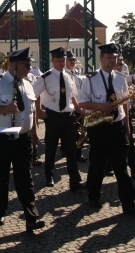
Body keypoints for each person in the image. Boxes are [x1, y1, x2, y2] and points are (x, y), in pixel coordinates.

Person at [0, 47, 45, 232]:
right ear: (14, 65)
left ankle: (31, 217)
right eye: (27, 65)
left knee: (26, 178)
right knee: (0, 176)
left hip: (23, 138)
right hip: (1, 135)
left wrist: (35, 132)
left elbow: (31, 111)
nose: (30, 69)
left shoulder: (28, 84)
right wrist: (2, 110)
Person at [77, 43, 135, 217]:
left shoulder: (121, 78)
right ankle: (93, 195)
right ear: (101, 58)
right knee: (97, 163)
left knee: (121, 166)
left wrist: (127, 125)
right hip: (99, 127)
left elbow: (125, 104)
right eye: (108, 58)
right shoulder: (90, 79)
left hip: (118, 126)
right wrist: (100, 106)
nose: (112, 61)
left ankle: (129, 202)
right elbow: (82, 103)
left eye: (114, 58)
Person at [34, 47, 83, 192]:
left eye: (63, 60)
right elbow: (33, 95)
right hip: (53, 116)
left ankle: (75, 180)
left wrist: (80, 111)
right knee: (51, 147)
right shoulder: (46, 77)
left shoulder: (69, 77)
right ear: (52, 61)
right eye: (58, 60)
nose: (62, 63)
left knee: (71, 149)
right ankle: (49, 175)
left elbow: (73, 96)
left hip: (68, 116)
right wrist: (39, 111)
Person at [114, 57, 135, 181]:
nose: (119, 67)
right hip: (113, 116)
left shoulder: (123, 78)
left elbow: (129, 100)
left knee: (129, 143)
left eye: (120, 64)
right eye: (117, 64)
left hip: (125, 114)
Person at [65, 50, 87, 162]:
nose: (72, 62)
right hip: (71, 107)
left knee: (80, 131)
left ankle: (78, 153)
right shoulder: (64, 74)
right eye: (70, 60)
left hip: (79, 106)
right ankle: (70, 152)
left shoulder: (76, 73)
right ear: (65, 61)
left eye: (74, 60)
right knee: (71, 133)